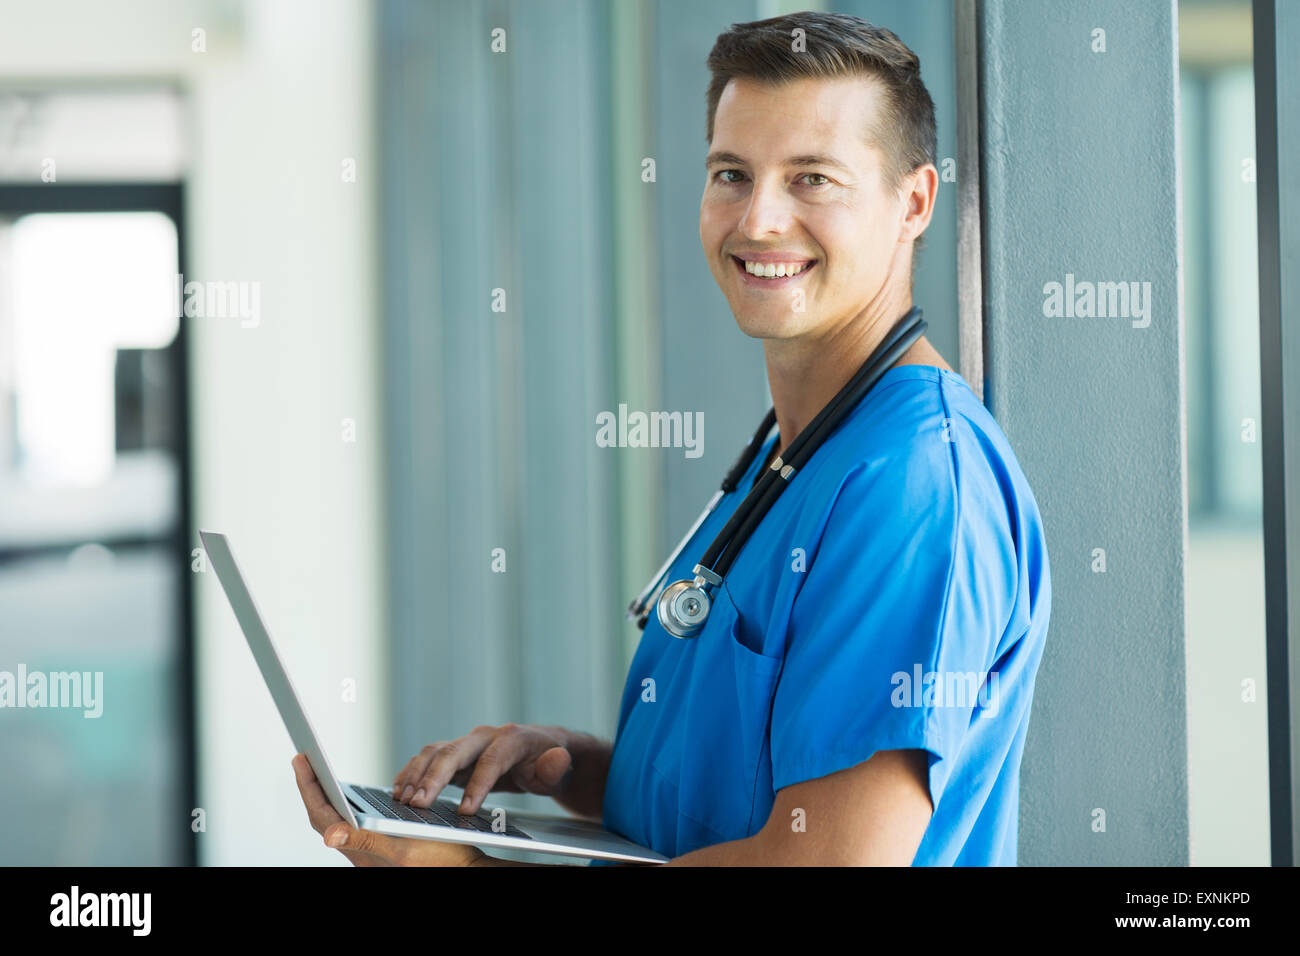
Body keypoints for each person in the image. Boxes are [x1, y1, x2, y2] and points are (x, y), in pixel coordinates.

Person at [293, 10, 1051, 867]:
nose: (759, 220)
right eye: (732, 173)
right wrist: (578, 769)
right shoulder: (793, 456)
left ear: (912, 202)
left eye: (812, 180)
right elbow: (759, 791)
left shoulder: (914, 485)